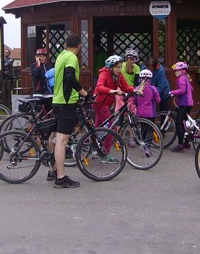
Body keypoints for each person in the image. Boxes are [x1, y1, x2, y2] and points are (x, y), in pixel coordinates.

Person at [48, 33, 87, 188]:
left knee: (54, 137)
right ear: (79, 45)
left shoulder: (61, 56)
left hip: (57, 101)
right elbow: (70, 77)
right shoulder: (71, 57)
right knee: (62, 141)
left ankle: (53, 170)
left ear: (66, 44)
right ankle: (61, 178)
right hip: (66, 103)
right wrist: (82, 91)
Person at [94, 54, 135, 162]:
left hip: (106, 104)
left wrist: (135, 90)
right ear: (111, 67)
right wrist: (112, 91)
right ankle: (104, 154)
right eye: (117, 67)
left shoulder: (118, 75)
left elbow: (125, 87)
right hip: (99, 103)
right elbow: (99, 87)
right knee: (112, 128)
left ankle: (89, 146)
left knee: (97, 128)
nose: (120, 69)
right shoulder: (104, 73)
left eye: (121, 67)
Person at [132, 69, 161, 155]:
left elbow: (134, 102)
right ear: (150, 79)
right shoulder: (153, 89)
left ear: (140, 78)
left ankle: (144, 146)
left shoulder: (137, 89)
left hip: (140, 114)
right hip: (150, 113)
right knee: (149, 130)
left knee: (143, 130)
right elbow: (158, 100)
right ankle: (148, 148)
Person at [169, 61, 194, 152]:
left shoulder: (181, 78)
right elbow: (191, 89)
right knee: (185, 123)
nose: (175, 72)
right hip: (189, 103)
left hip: (184, 103)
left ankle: (180, 145)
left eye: (176, 71)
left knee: (179, 122)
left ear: (182, 71)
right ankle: (186, 143)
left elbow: (182, 90)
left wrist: (172, 92)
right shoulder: (186, 77)